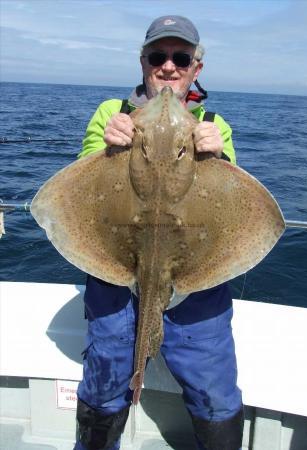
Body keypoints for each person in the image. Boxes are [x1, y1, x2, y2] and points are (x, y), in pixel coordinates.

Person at [74, 15, 244, 450]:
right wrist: (110, 146)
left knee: (213, 390)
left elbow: (236, 202)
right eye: (158, 56)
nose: (169, 67)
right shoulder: (112, 114)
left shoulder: (215, 125)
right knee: (105, 378)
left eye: (181, 57)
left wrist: (220, 155)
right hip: (116, 273)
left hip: (194, 281)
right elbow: (83, 172)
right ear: (144, 61)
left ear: (195, 68)